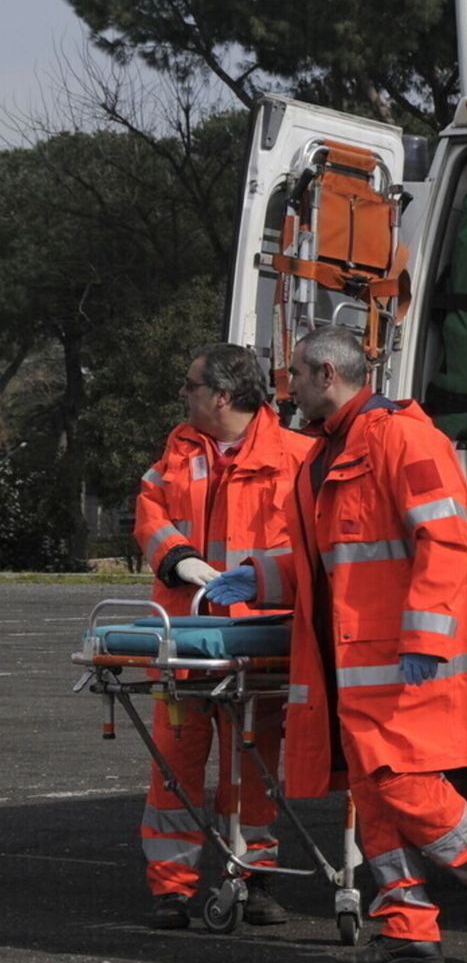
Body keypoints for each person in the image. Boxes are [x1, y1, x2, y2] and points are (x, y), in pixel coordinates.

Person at [207, 324, 467, 963]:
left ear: (327, 376)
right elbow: (328, 561)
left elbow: (445, 542)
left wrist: (426, 637)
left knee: (397, 785)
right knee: (370, 790)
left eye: (298, 376)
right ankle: (407, 930)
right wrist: (262, 575)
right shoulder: (324, 454)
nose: (291, 389)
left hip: (400, 660)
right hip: (353, 662)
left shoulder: (403, 437)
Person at [133, 343, 314, 929]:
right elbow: (150, 513)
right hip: (183, 639)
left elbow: (311, 550)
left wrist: (256, 582)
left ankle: (252, 877)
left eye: (190, 385)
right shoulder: (181, 446)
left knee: (252, 770)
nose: (182, 394)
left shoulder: (298, 458)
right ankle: (172, 890)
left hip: (256, 642)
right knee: (173, 769)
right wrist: (179, 560)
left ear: (224, 395)